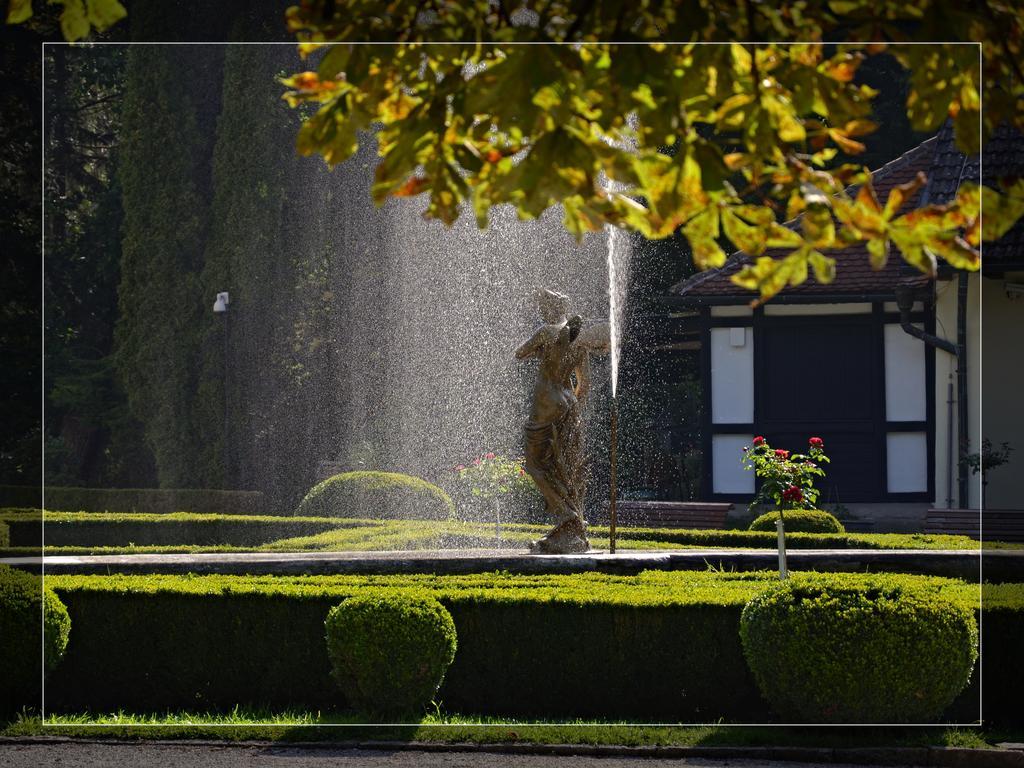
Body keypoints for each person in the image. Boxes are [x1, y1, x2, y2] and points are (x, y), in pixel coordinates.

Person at [516, 289, 608, 553]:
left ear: (549, 309)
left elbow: (519, 353)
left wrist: (539, 351)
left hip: (546, 403)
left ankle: (567, 517)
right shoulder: (579, 341)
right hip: (568, 403)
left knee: (534, 464)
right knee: (565, 465)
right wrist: (573, 408)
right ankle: (572, 526)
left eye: (542, 307)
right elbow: (585, 385)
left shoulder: (546, 331)